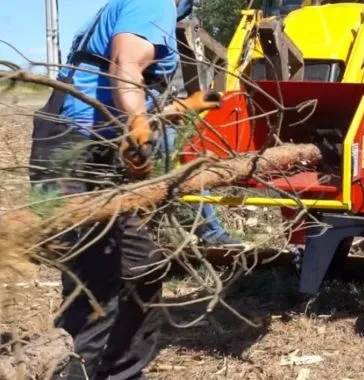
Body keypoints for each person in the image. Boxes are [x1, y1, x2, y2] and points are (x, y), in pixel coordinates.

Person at [27, 0, 234, 378]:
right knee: (94, 287)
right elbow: (125, 65)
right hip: (76, 153)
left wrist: (171, 110)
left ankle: (121, 372)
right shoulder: (154, 2)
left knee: (144, 267)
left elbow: (107, 82)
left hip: (82, 148)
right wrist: (138, 120)